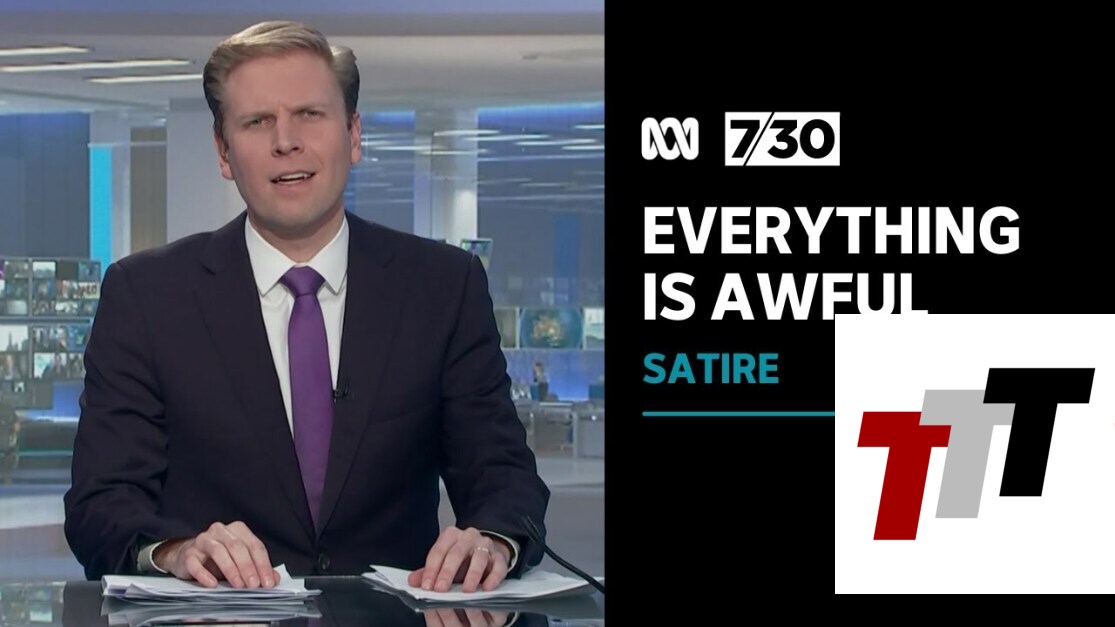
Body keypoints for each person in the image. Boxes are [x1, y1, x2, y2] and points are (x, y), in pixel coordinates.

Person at [63, 21, 549, 593]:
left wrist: (492, 539)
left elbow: (503, 476)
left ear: (354, 135)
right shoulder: (147, 296)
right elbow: (100, 505)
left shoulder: (442, 287)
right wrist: (173, 551)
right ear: (223, 151)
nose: (286, 141)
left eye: (310, 115)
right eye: (257, 121)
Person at [0, 398, 19, 485]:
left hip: (6, 445)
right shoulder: (8, 409)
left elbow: (16, 426)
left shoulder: (8, 409)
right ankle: (7, 479)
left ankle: (7, 479)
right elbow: (16, 427)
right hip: (7, 444)